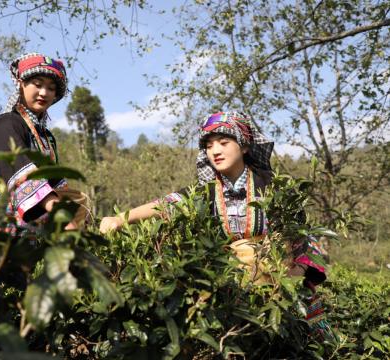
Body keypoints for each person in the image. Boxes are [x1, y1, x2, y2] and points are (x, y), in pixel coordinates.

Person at [100, 111, 332, 338]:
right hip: (235, 292)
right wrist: (120, 218)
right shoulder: (206, 191)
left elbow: (300, 234)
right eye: (209, 146)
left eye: (223, 142)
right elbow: (166, 203)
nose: (215, 151)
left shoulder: (274, 185)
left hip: (281, 285)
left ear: (244, 146)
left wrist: (293, 278)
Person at [0, 52, 87, 238]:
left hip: (35, 229)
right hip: (2, 227)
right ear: (21, 84)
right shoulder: (6, 125)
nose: (44, 92)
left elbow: (54, 181)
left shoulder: (45, 136)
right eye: (38, 84)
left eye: (51, 88)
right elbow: (21, 172)